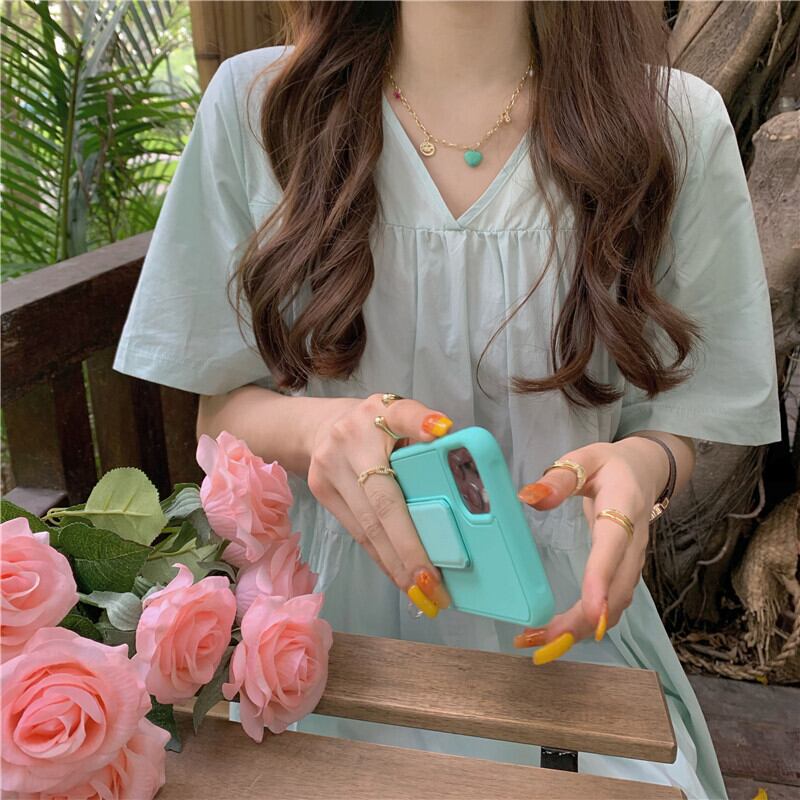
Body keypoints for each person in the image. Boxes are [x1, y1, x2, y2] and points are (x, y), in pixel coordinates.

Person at [113, 2, 782, 797]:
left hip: (569, 644)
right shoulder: (261, 106)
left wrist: (644, 468)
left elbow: (676, 425)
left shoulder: (674, 124)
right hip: (318, 649)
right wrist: (324, 427)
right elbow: (221, 411)